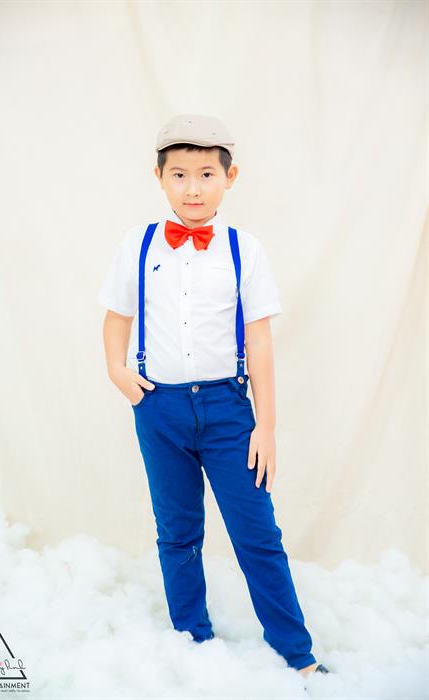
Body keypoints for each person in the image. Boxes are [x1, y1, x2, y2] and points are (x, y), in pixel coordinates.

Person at [97, 114, 330, 679]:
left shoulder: (244, 250)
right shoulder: (138, 244)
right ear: (159, 177)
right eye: (179, 174)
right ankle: (192, 639)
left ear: (231, 177)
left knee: (257, 533)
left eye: (206, 174)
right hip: (159, 408)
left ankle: (296, 653)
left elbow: (260, 339)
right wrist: (117, 372)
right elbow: (117, 315)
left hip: (229, 410)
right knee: (178, 531)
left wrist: (265, 425)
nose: (193, 188)